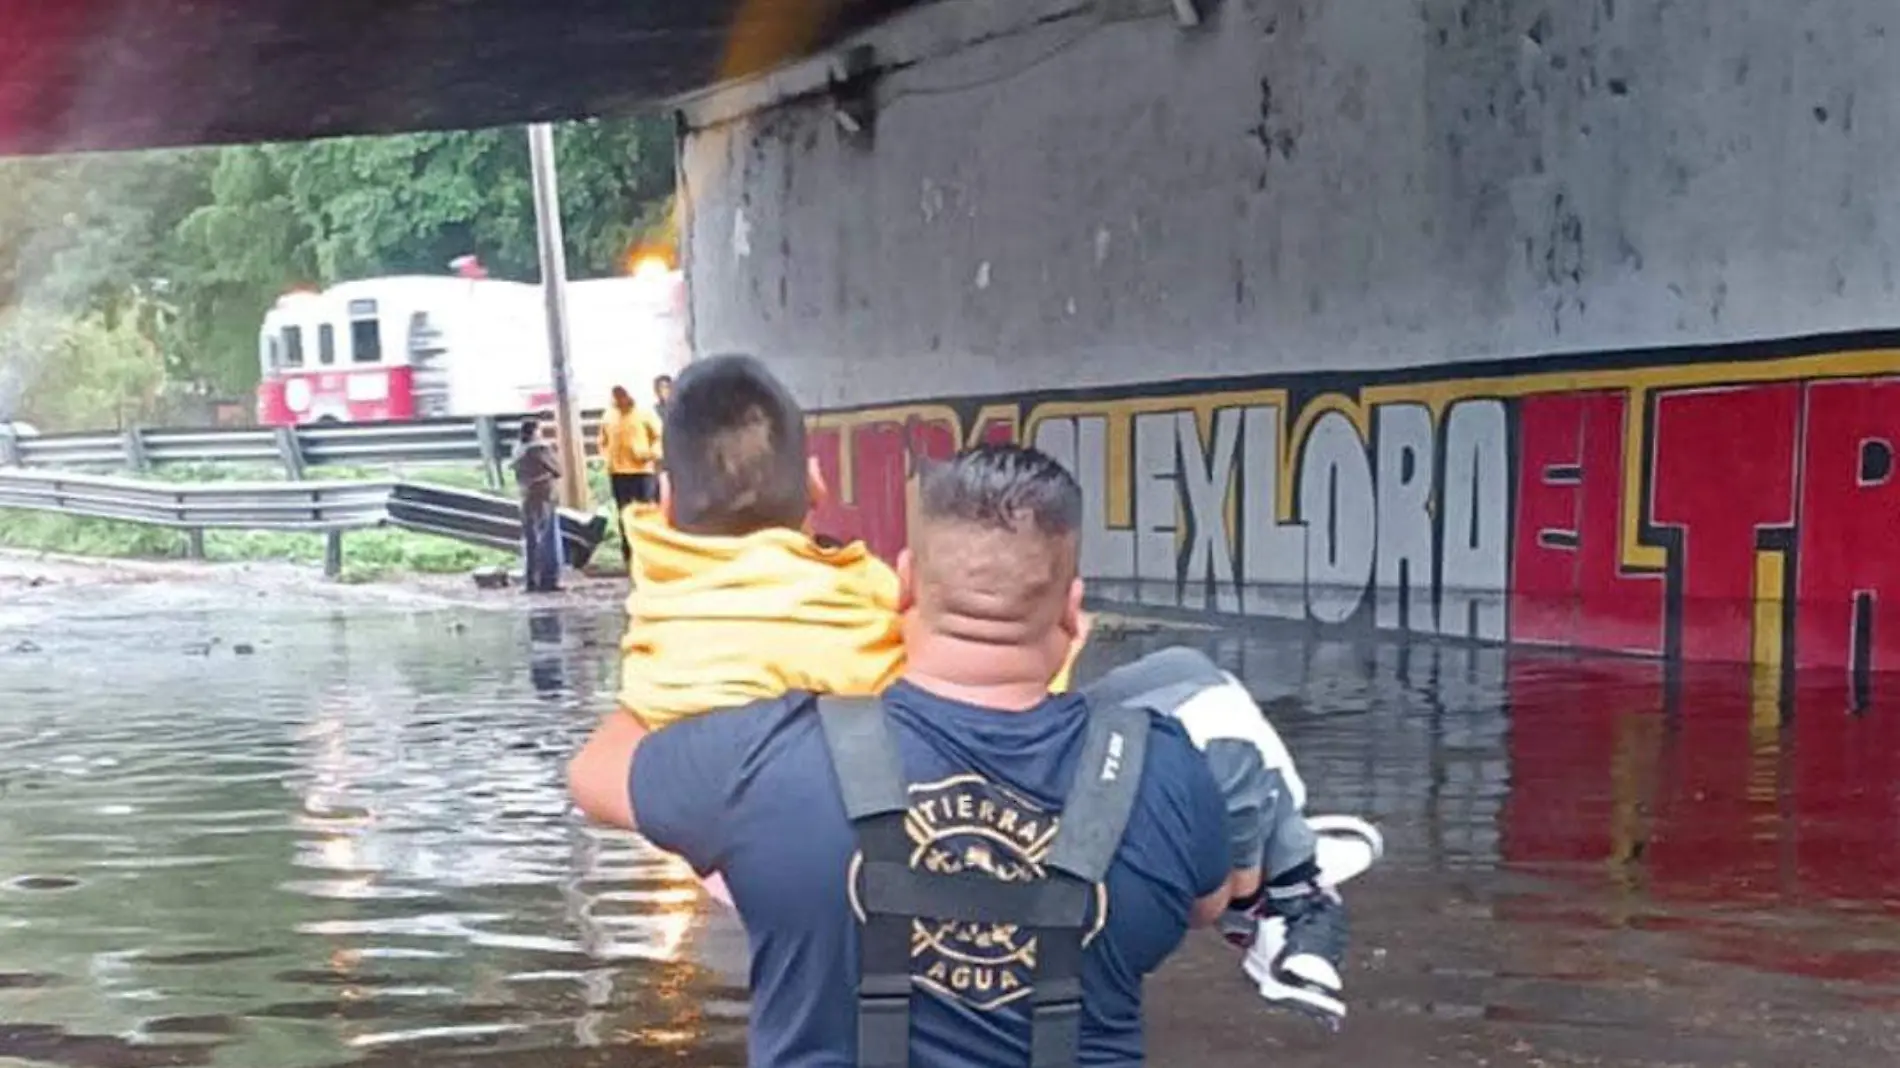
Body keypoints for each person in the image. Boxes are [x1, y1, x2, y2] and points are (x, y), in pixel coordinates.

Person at [583, 354, 1372, 1023]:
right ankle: (1277, 895)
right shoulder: (837, 596)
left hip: (785, 839)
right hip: (941, 786)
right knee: (1204, 705)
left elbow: (596, 774)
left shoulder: (665, 598)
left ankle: (1277, 863)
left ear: (662, 501)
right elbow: (963, 690)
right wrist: (1049, 645)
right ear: (817, 484)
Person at [569, 444, 1235, 1065]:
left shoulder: (760, 758)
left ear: (905, 585)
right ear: (1073, 605)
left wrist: (692, 644)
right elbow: (1210, 904)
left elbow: (594, 775)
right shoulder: (1166, 770)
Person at [597, 384, 663, 570]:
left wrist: (651, 453)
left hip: (642, 472)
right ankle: (629, 555)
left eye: (623, 394)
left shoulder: (644, 413)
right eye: (616, 395)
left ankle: (648, 554)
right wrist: (607, 458)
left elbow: (659, 436)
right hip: (618, 472)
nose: (620, 398)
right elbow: (602, 441)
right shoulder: (608, 416)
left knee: (645, 513)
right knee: (624, 514)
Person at [511, 414, 564, 593]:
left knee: (530, 539)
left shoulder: (517, 448)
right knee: (548, 538)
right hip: (544, 496)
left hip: (525, 496)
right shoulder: (540, 448)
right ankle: (548, 580)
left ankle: (531, 580)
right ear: (535, 431)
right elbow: (558, 469)